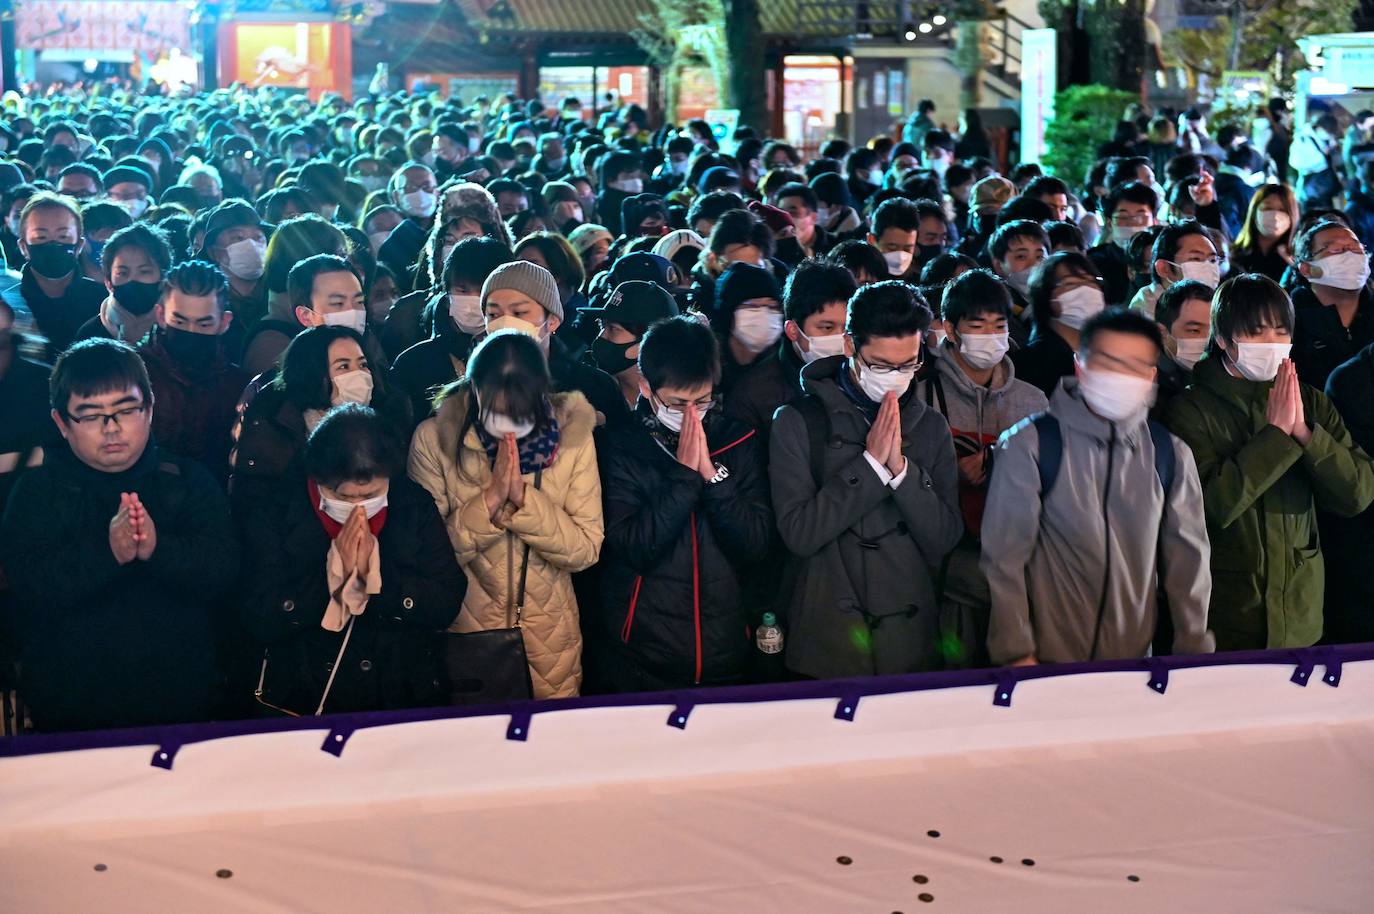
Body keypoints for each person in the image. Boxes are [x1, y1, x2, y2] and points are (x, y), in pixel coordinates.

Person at [0, 339, 239, 731]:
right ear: (61, 423)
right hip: (70, 712)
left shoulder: (187, 480)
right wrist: (107, 551)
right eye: (91, 415)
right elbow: (30, 586)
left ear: (149, 409)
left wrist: (159, 549)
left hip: (183, 708)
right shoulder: (36, 493)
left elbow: (223, 572)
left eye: (125, 410)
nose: (111, 429)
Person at [983, 308, 1214, 665]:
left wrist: (1193, 643)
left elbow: (1189, 560)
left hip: (1134, 666)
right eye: (1108, 362)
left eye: (1135, 366)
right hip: (1043, 665)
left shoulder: (1168, 453)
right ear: (1081, 366)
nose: (1121, 376)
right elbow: (1004, 557)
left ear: (1151, 377)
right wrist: (1015, 650)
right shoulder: (1031, 443)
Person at [1164, 274, 1374, 651]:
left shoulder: (1310, 401)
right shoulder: (1189, 410)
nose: (1272, 344)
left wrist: (1306, 436)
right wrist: (1276, 437)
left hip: (1300, 611)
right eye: (1256, 333)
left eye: (1280, 332)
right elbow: (1208, 509)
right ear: (1225, 339)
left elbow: (1357, 494)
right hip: (1227, 616)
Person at [769, 280, 962, 678]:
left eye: (908, 365)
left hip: (910, 638)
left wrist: (902, 474)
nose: (895, 377)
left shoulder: (931, 426)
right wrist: (870, 466)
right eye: (881, 365)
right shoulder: (797, 421)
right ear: (849, 346)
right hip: (829, 638)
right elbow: (799, 533)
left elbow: (945, 537)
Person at [407, 330, 604, 699]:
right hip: (467, 639)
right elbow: (426, 559)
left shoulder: (572, 437)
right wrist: (490, 501)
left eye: (521, 412)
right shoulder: (434, 440)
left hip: (549, 643)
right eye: (496, 412)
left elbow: (586, 550)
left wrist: (524, 503)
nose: (509, 424)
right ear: (474, 390)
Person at [240, 403, 463, 716]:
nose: (359, 508)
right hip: (306, 691)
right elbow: (257, 614)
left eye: (371, 495)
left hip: (400, 691)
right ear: (318, 480)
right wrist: (331, 578)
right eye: (345, 499)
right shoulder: (274, 511)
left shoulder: (411, 504)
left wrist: (378, 579)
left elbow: (447, 598)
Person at [590, 315, 772, 692]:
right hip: (643, 653)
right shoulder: (621, 446)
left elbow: (755, 544)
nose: (692, 415)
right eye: (677, 403)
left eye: (702, 401)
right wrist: (686, 477)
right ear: (646, 387)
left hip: (726, 647)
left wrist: (712, 475)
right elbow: (634, 546)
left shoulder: (739, 441)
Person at [915, 270, 1047, 667]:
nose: (990, 335)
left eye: (999, 325)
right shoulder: (921, 393)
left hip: (1017, 562)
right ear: (951, 329)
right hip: (950, 564)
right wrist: (949, 473)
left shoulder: (1033, 399)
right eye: (977, 325)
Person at [233, 325, 411, 515]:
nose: (359, 375)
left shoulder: (388, 422)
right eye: (343, 366)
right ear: (313, 375)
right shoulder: (277, 430)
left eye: (363, 365)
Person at [134, 260, 249, 485]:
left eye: (203, 324)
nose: (190, 332)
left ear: (224, 322)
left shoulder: (238, 387)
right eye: (179, 321)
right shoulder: (133, 374)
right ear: (160, 315)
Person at [481, 259, 631, 430]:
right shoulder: (469, 392)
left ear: (552, 320)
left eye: (519, 312)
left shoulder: (593, 387)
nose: (505, 322)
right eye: (493, 314)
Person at [724, 259, 856, 443]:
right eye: (827, 328)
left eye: (846, 328)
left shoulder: (864, 376)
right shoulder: (753, 396)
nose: (840, 338)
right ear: (793, 330)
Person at [390, 236, 513, 421]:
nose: (474, 300)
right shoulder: (412, 364)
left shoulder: (525, 356)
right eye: (463, 291)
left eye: (483, 290)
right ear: (447, 295)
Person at [16, 191, 106, 360]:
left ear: (79, 246)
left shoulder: (102, 301)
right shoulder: (9, 301)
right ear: (24, 247)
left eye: (63, 236)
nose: (52, 244)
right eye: (41, 237)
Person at [1289, 220, 1374, 390]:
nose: (1350, 255)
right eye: (1336, 250)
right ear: (1306, 268)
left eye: (1356, 248)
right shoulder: (1287, 323)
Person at [1012, 252, 1107, 395]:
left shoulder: (1108, 353)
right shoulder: (1029, 363)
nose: (1085, 290)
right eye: (1070, 283)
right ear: (1046, 297)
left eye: (1091, 282)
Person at [582, 279, 680, 407]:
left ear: (648, 342)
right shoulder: (585, 396)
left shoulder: (675, 411)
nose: (601, 336)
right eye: (602, 325)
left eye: (613, 329)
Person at [75, 223, 173, 345]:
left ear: (163, 277)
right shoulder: (91, 334)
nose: (133, 279)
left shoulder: (178, 329)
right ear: (108, 282)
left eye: (144, 272)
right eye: (122, 273)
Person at [710, 261, 786, 396]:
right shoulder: (709, 365)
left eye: (772, 307)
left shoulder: (785, 366)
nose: (764, 314)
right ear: (729, 312)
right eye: (753, 306)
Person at [197, 200, 269, 334]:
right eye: (238, 238)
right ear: (214, 253)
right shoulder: (206, 298)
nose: (251, 244)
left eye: (258, 237)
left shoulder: (279, 292)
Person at [1128, 220, 1221, 320]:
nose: (1207, 267)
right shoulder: (1144, 312)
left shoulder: (1219, 302)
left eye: (1212, 260)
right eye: (1195, 259)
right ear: (1163, 268)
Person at [1088, 182, 1158, 307]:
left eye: (1141, 216)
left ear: (1154, 221)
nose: (1133, 223)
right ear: (1109, 223)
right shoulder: (1094, 263)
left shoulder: (1163, 259)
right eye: (1123, 217)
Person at [1151, 279, 1213, 416]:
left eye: (1214, 331)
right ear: (1163, 333)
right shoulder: (1148, 390)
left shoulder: (1219, 375)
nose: (1208, 341)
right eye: (1195, 331)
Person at [1232, 184, 1298, 282]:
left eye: (1282, 210)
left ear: (1292, 216)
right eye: (1268, 208)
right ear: (1254, 212)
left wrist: (1295, 268)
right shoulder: (1234, 255)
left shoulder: (1296, 259)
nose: (1275, 215)